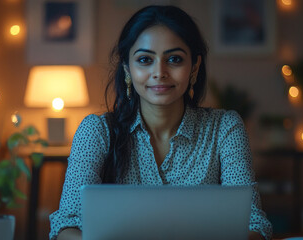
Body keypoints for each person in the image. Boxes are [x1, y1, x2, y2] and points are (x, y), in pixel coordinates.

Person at [49, 5, 273, 240]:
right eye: (145, 59)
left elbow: (253, 222)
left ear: (194, 67)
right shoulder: (96, 131)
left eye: (174, 59)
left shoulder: (225, 128)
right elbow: (67, 225)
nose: (159, 72)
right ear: (127, 68)